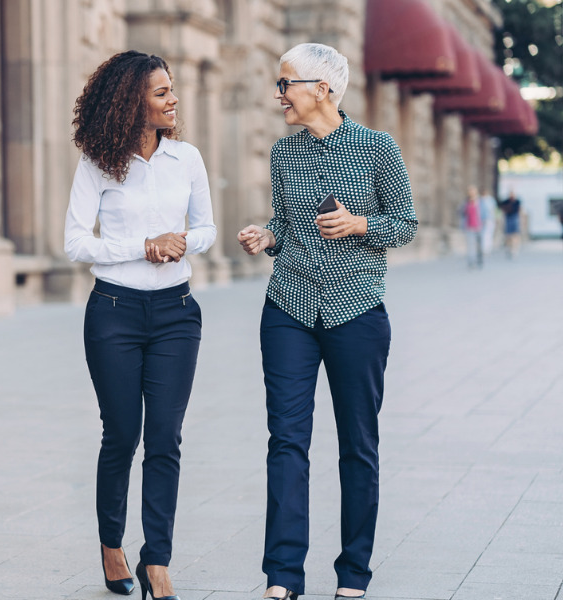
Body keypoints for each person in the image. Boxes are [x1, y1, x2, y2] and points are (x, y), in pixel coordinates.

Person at [236, 43, 417, 600]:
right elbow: (287, 226)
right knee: (286, 441)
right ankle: (282, 576)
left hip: (356, 311)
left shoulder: (377, 147)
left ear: (322, 89)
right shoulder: (283, 155)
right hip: (288, 310)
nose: (278, 94)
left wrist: (362, 224)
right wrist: (269, 236)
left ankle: (353, 575)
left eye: (285, 83)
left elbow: (406, 222)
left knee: (357, 445)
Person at [65, 50, 216, 600]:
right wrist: (142, 246)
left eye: (171, 89)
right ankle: (111, 547)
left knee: (166, 439)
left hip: (177, 314)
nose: (173, 98)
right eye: (161, 92)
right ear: (132, 101)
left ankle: (158, 560)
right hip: (114, 314)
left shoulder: (187, 159)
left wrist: (180, 242)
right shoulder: (98, 164)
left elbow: (206, 229)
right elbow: (76, 242)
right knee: (122, 434)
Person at [461, 187, 484, 268]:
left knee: (479, 245)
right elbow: (462, 213)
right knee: (470, 245)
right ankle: (471, 261)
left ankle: (479, 260)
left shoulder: (480, 202)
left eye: (473, 191)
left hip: (479, 226)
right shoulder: (466, 202)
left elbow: (485, 213)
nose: (471, 193)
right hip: (469, 226)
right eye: (470, 191)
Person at [499, 190, 522, 258]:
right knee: (508, 235)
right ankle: (509, 248)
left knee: (515, 235)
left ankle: (514, 249)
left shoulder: (517, 201)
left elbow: (519, 210)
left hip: (515, 218)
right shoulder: (506, 201)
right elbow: (502, 207)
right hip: (508, 218)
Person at [479, 188, 498, 257]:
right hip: (481, 220)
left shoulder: (490, 200)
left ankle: (487, 248)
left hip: (489, 219)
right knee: (483, 234)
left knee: (488, 234)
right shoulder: (479, 200)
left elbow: (494, 210)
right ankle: (483, 248)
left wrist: (495, 218)